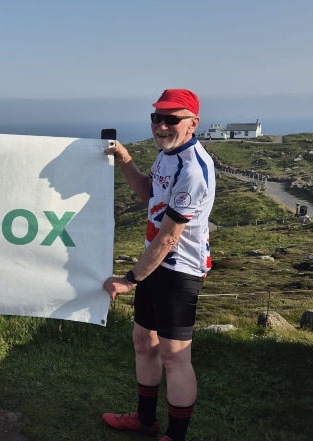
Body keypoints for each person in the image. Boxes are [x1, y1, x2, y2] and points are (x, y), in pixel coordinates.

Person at [101, 89, 215, 441]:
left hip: (178, 271)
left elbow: (169, 238)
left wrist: (130, 279)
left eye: (172, 119)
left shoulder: (193, 169)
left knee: (174, 356)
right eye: (156, 118)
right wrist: (125, 161)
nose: (161, 126)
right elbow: (148, 193)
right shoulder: (167, 155)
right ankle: (146, 421)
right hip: (156, 265)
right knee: (143, 341)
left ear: (193, 123)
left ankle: (175, 436)